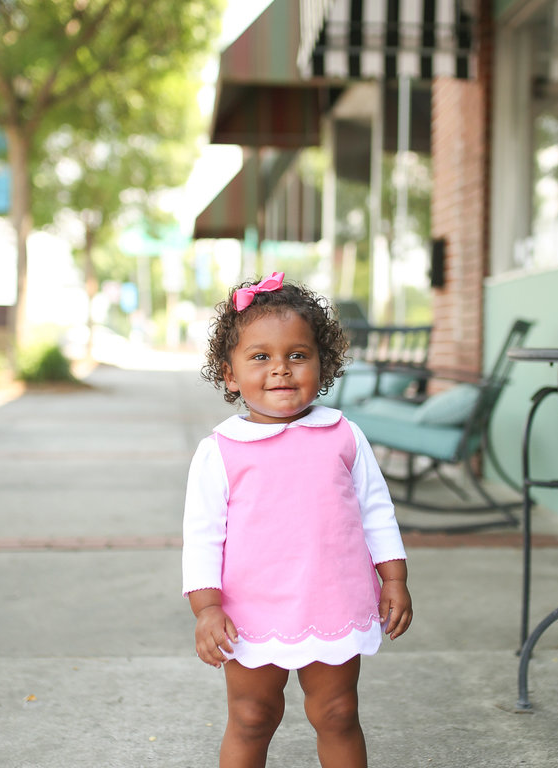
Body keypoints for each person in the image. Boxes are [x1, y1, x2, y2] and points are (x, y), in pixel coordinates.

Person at [182, 272, 413, 768]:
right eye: (260, 357)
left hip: (332, 600)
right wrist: (206, 609)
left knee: (337, 713)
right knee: (251, 716)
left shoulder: (342, 435)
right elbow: (202, 538)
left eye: (298, 355)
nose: (281, 370)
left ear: (322, 364)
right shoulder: (220, 451)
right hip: (249, 614)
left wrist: (393, 578)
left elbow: (377, 511)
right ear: (229, 374)